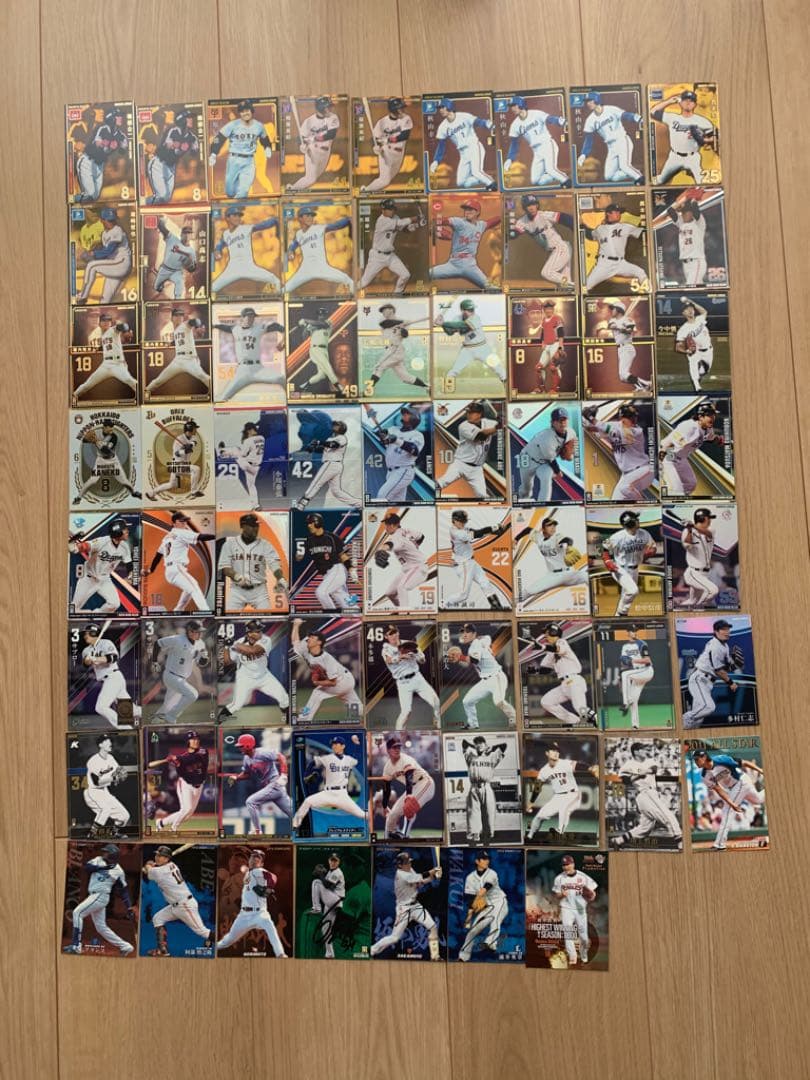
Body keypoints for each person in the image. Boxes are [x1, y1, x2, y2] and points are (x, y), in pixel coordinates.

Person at [63, 843, 135, 956]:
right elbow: (87, 867)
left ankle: (76, 946)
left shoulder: (118, 870)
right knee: (101, 927)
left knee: (77, 913)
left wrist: (129, 907)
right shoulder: (98, 860)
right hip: (94, 895)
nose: (104, 853)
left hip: (101, 895)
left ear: (112, 855)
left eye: (106, 852)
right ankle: (126, 946)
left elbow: (124, 891)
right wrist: (102, 868)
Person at [370, 851, 442, 960]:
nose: (409, 864)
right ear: (400, 865)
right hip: (404, 909)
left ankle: (435, 956)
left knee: (433, 927)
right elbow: (420, 876)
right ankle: (372, 950)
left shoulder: (409, 870)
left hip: (415, 906)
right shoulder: (401, 875)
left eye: (409, 862)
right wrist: (433, 871)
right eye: (407, 863)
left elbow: (421, 882)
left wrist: (434, 878)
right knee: (394, 938)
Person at [142, 844, 213, 955]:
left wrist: (148, 865)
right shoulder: (172, 865)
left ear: (167, 859)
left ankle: (226, 942)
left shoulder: (160, 872)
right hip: (176, 906)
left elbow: (149, 871)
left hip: (185, 905)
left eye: (161, 856)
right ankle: (163, 950)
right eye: (157, 855)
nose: (157, 857)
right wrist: (151, 867)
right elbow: (152, 871)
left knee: (202, 932)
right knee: (158, 918)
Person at [216, 850, 288, 956]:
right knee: (229, 939)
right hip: (244, 914)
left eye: (257, 859)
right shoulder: (247, 875)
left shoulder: (258, 871)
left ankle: (281, 954)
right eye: (252, 858)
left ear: (261, 864)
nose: (254, 860)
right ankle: (215, 947)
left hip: (259, 914)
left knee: (271, 929)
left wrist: (268, 889)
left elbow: (273, 876)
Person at [224, 733, 292, 835]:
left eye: (241, 746)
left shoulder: (262, 753)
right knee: (294, 814)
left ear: (248, 745)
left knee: (250, 802)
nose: (239, 748)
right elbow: (247, 774)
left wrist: (284, 774)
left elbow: (281, 757)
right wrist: (236, 778)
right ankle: (305, 827)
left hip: (275, 783)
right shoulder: (246, 758)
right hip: (271, 787)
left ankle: (257, 831)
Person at [459, 850, 508, 961]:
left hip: (500, 902)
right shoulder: (470, 878)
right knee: (472, 931)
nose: (487, 861)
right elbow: (470, 899)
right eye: (484, 859)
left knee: (495, 920)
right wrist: (469, 916)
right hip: (488, 907)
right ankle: (463, 957)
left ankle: (490, 943)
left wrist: (473, 910)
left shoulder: (492, 873)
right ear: (477, 861)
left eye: (488, 859)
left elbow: (483, 891)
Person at [552, 854, 598, 966]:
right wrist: (561, 894)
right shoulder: (559, 878)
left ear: (573, 864)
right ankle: (572, 956)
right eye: (563, 865)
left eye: (567, 864)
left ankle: (583, 955)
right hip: (566, 909)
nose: (565, 867)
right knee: (568, 934)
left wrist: (592, 895)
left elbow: (593, 893)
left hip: (580, 909)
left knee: (584, 937)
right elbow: (556, 895)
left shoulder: (583, 877)